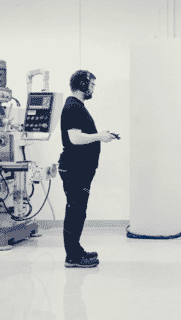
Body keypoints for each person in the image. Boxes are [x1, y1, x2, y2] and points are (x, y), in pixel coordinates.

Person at [59, 70, 116, 268]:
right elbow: (74, 138)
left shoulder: (76, 106)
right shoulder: (73, 107)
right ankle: (73, 257)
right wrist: (99, 136)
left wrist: (100, 135)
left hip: (79, 169)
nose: (93, 88)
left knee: (78, 211)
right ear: (83, 84)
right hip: (75, 169)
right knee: (75, 211)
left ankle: (75, 250)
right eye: (92, 84)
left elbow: (80, 135)